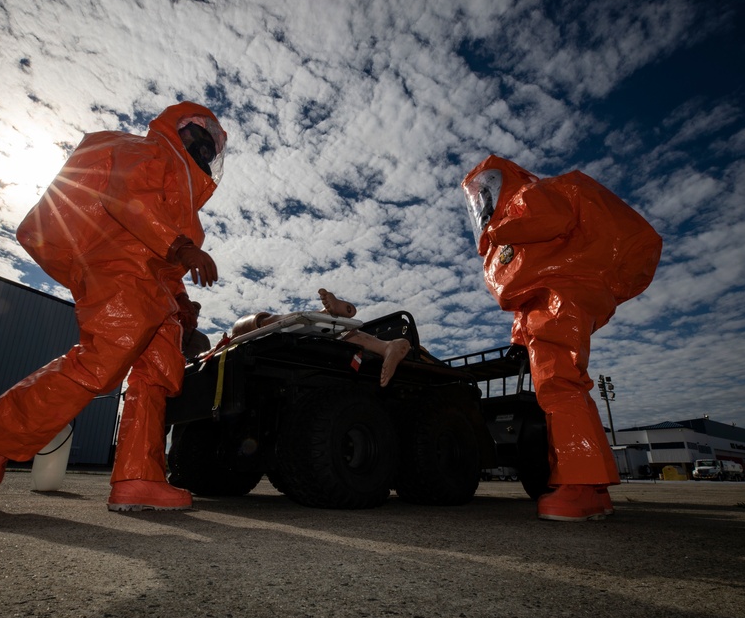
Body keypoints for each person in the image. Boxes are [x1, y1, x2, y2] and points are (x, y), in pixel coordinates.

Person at [0, 101, 227, 512]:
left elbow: (168, 268)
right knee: (102, 360)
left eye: (212, 149)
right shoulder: (148, 151)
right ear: (182, 131)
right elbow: (128, 197)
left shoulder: (187, 205)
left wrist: (181, 301)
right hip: (117, 266)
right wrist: (181, 246)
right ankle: (0, 434)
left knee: (157, 376)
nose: (206, 153)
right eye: (201, 141)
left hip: (153, 288)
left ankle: (138, 478)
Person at [461, 155, 662, 522]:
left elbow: (550, 220)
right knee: (568, 384)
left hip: (561, 295)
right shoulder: (518, 223)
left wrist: (500, 230)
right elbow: (524, 293)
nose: (482, 202)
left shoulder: (529, 199)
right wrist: (521, 332)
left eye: (486, 190)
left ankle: (579, 486)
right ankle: (594, 486)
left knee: (557, 385)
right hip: (553, 298)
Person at [229, 288, 411, 387]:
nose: (197, 317)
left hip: (242, 331)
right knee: (340, 335)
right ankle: (386, 346)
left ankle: (324, 313)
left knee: (267, 322)